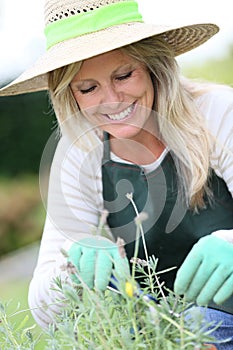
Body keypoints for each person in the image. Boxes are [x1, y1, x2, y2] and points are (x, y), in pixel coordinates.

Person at [1, 0, 233, 348]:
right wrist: (73, 260)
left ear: (153, 65)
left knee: (202, 321)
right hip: (164, 331)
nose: (111, 100)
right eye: (88, 88)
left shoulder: (218, 112)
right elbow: (43, 310)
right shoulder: (80, 153)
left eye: (124, 75)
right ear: (69, 95)